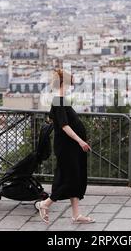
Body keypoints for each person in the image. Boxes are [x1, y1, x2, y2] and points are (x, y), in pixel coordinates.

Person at [35, 69, 96, 224]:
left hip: (70, 146)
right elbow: (64, 126)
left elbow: (52, 117)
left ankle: (76, 214)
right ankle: (45, 204)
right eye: (71, 79)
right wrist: (80, 140)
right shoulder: (59, 100)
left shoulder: (60, 100)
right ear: (65, 82)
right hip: (67, 147)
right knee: (70, 179)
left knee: (73, 178)